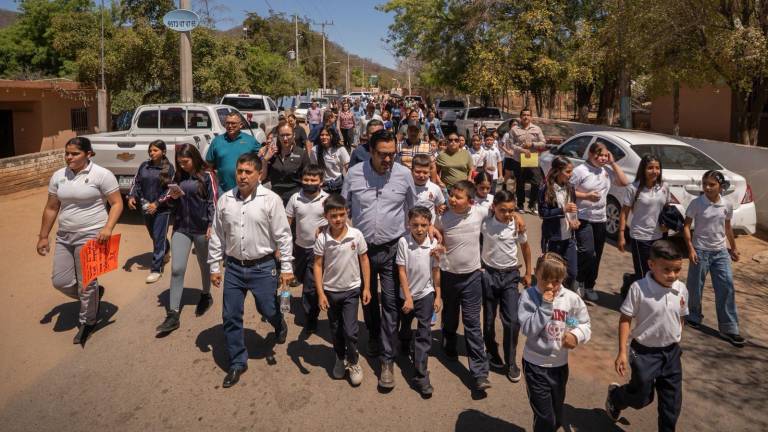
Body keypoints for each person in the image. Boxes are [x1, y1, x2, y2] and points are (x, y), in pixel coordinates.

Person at [208, 152, 294, 388]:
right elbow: (217, 234)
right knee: (230, 315)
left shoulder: (271, 200)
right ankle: (237, 361)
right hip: (234, 268)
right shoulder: (225, 199)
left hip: (264, 267)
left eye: (248, 172)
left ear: (259, 174)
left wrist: (286, 267)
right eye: (239, 171)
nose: (243, 176)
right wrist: (214, 266)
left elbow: (284, 236)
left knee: (267, 308)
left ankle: (278, 323)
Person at [341, 130, 418, 385]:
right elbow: (343, 208)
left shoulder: (404, 175)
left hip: (392, 250)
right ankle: (373, 335)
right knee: (368, 297)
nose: (388, 160)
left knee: (391, 304)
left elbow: (412, 210)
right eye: (382, 155)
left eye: (391, 155)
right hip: (361, 251)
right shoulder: (354, 174)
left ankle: (387, 360)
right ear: (370, 152)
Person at [37, 137, 123, 344]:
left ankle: (88, 322)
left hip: (92, 235)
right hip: (65, 236)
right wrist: (43, 236)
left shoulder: (102, 175)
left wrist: (108, 228)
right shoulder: (59, 176)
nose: (69, 157)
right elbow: (51, 207)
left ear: (88, 154)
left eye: (74, 153)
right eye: (67, 153)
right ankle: (93, 297)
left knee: (86, 283)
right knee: (60, 281)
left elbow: (117, 203)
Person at [605, 240, 688, 431]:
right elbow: (625, 319)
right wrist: (622, 352)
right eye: (667, 269)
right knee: (641, 398)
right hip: (644, 353)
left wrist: (675, 335)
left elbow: (681, 315)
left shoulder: (681, 288)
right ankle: (617, 397)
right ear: (651, 265)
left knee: (672, 403)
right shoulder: (639, 289)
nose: (673, 275)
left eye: (677, 270)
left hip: (671, 354)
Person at [518, 253, 591, 432]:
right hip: (535, 365)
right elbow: (528, 328)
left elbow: (578, 321)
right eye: (545, 280)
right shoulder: (528, 297)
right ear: (536, 273)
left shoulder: (570, 298)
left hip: (559, 366)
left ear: (563, 279)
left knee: (557, 416)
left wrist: (575, 335)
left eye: (556, 281)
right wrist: (544, 307)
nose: (550, 286)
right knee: (545, 418)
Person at [435, 180, 491, 391]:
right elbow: (435, 231)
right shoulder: (443, 216)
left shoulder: (479, 212)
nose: (452, 200)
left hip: (472, 278)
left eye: (458, 197)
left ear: (470, 200)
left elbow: (499, 211)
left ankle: (480, 372)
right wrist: (438, 242)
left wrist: (518, 217)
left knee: (472, 323)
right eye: (452, 195)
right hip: (449, 276)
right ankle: (448, 339)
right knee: (449, 316)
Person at [155, 144, 217, 333]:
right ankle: (173, 314)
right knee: (177, 269)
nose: (182, 166)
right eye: (180, 163)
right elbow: (168, 197)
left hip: (201, 229)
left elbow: (213, 202)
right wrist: (170, 197)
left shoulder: (207, 176)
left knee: (204, 264)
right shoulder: (178, 177)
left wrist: (211, 225)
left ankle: (206, 295)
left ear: (195, 158)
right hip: (181, 227)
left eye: (186, 162)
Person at [314, 193, 372, 386]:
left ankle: (354, 361)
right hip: (331, 292)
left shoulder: (356, 235)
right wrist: (321, 293)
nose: (338, 219)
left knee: (350, 330)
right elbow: (318, 265)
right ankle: (340, 358)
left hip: (352, 290)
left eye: (341, 214)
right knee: (336, 328)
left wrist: (367, 287)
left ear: (347, 212)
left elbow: (364, 260)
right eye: (333, 216)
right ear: (326, 217)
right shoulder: (322, 238)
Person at [683, 170, 745, 346]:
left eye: (712, 184)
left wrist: (734, 248)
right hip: (700, 251)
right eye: (705, 184)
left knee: (726, 287)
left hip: (720, 253)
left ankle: (729, 328)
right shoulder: (697, 203)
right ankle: (693, 316)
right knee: (695, 287)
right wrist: (690, 249)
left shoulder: (727, 204)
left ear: (720, 186)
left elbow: (727, 228)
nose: (707, 188)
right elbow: (686, 226)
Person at [481, 190, 531, 383]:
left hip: (510, 276)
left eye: (512, 210)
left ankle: (511, 361)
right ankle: (492, 352)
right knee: (488, 319)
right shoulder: (484, 222)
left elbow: (525, 248)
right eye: (503, 210)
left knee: (512, 321)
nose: (508, 214)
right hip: (489, 275)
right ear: (494, 208)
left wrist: (528, 272)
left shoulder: (516, 225)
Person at [570, 142, 630, 301]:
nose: (603, 158)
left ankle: (590, 285)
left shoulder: (606, 170)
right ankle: (578, 281)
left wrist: (612, 162)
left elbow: (624, 182)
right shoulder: (580, 171)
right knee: (587, 252)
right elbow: (568, 191)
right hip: (583, 217)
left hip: (600, 219)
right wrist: (586, 196)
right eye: (600, 155)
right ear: (591, 154)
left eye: (606, 155)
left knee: (597, 254)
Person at [396, 206, 442, 396]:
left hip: (426, 293)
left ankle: (421, 376)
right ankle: (404, 340)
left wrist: (438, 295)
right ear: (409, 224)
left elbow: (436, 271)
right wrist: (407, 297)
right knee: (405, 326)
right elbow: (401, 271)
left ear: (429, 225)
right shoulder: (403, 242)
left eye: (424, 225)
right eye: (415, 225)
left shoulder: (433, 244)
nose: (420, 229)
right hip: (407, 295)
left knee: (424, 334)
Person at [618, 155, 669, 298]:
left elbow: (666, 208)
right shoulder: (633, 188)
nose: (654, 171)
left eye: (657, 168)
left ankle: (629, 280)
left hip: (659, 236)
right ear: (643, 169)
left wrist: (667, 225)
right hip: (640, 236)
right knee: (643, 273)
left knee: (656, 271)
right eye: (650, 168)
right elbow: (624, 213)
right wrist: (621, 234)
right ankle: (642, 301)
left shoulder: (664, 187)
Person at [286, 165, 328, 334]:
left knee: (310, 285)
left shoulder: (327, 199)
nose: (309, 182)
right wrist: (283, 246)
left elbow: (336, 221)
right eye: (306, 180)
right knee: (300, 277)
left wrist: (324, 228)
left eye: (313, 180)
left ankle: (311, 316)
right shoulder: (295, 198)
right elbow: (286, 222)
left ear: (321, 182)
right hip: (299, 248)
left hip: (317, 250)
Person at [127, 139, 174, 284]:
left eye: (155, 150)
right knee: (154, 235)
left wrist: (158, 203)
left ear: (163, 152)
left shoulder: (168, 168)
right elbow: (137, 182)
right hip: (146, 207)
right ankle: (165, 250)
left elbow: (170, 189)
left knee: (158, 238)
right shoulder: (144, 166)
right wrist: (132, 196)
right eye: (150, 150)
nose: (151, 153)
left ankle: (156, 269)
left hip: (162, 209)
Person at [538, 156, 579, 289]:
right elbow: (543, 213)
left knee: (572, 273)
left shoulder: (570, 188)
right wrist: (562, 210)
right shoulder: (546, 189)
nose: (570, 174)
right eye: (567, 171)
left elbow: (572, 208)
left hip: (569, 238)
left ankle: (563, 294)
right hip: (553, 238)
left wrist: (574, 220)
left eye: (571, 171)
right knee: (553, 272)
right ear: (557, 171)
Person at [205, 112, 261, 192]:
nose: (230, 126)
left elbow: (261, 156)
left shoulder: (250, 140)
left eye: (233, 123)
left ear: (241, 125)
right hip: (223, 190)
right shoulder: (217, 141)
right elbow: (209, 166)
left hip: (246, 189)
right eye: (227, 123)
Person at [261, 122, 311, 205]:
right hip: (275, 198)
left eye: (288, 135)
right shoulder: (271, 153)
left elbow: (308, 177)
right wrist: (265, 159)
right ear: (278, 136)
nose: (285, 138)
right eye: (282, 135)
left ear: (293, 135)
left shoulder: (301, 153)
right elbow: (262, 177)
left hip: (296, 199)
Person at [508, 108, 547, 214]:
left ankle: (532, 205)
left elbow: (543, 142)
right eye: (524, 115)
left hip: (533, 160)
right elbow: (510, 145)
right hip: (519, 160)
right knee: (520, 183)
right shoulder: (514, 129)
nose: (526, 117)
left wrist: (533, 144)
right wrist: (522, 149)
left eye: (528, 115)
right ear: (520, 117)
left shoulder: (537, 129)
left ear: (531, 117)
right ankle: (520, 204)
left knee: (536, 183)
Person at [310, 126, 349, 194]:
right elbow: (314, 169)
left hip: (338, 186)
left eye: (327, 135)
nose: (324, 137)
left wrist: (348, 185)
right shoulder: (314, 150)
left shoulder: (340, 149)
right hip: (322, 187)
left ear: (332, 136)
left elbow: (348, 168)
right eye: (322, 135)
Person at [412, 154, 446, 221]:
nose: (421, 175)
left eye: (425, 172)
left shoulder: (435, 188)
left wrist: (441, 209)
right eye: (418, 172)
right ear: (412, 170)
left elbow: (441, 204)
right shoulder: (406, 187)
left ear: (430, 173)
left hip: (429, 227)